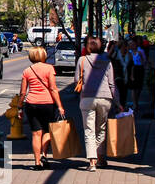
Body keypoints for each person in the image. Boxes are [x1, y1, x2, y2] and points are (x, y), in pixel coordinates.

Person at [75, 37, 121, 172]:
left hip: (87, 98)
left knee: (89, 130)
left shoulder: (81, 60)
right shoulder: (107, 61)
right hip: (105, 97)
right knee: (101, 128)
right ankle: (101, 158)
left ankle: (92, 162)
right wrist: (118, 102)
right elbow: (112, 84)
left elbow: (77, 79)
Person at [19, 44, 65, 170]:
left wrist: (19, 107)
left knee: (36, 133)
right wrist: (60, 106)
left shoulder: (27, 71)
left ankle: (37, 162)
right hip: (47, 104)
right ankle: (44, 154)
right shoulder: (49, 68)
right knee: (47, 131)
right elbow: (53, 88)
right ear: (44, 55)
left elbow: (23, 92)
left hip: (31, 104)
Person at [129, 36, 146, 112]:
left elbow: (144, 61)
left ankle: (136, 100)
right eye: (131, 44)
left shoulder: (141, 51)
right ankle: (134, 103)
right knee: (133, 87)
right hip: (132, 69)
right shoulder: (129, 52)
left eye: (133, 44)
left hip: (139, 68)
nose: (132, 45)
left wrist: (141, 56)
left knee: (139, 87)